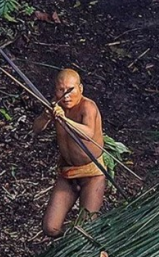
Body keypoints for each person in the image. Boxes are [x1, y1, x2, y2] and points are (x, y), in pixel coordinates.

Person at [33, 68, 105, 237]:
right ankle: (66, 242)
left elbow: (88, 133)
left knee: (87, 228)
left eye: (70, 90)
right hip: (68, 173)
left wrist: (64, 120)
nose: (66, 96)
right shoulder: (56, 106)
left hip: (92, 174)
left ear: (80, 88)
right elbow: (36, 129)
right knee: (51, 227)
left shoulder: (88, 107)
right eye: (61, 90)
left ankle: (82, 246)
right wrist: (46, 116)